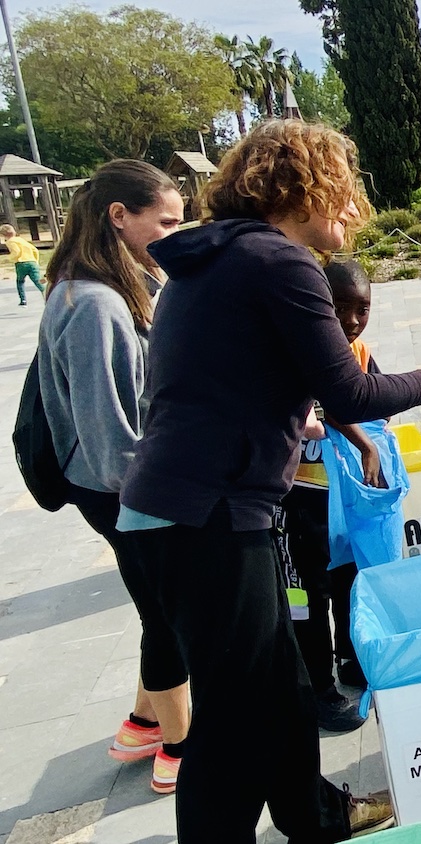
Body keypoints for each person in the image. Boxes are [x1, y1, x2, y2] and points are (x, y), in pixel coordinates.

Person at [118, 119, 421, 843]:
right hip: (208, 519)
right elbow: (348, 389)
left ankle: (315, 818)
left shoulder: (216, 259)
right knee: (233, 726)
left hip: (185, 513)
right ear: (305, 188)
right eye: (347, 194)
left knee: (285, 692)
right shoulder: (275, 261)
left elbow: (262, 383)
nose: (354, 213)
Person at [37, 159, 190, 795]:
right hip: (121, 488)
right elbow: (107, 435)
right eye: (167, 221)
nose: (177, 232)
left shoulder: (108, 284)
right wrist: (161, 500)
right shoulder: (93, 302)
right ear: (119, 217)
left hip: (119, 484)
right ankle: (182, 750)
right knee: (169, 612)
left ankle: (141, 725)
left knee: (158, 602)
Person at [281, 260, 382, 733]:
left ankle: (350, 661)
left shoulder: (359, 351)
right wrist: (361, 439)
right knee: (305, 595)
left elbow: (373, 401)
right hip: (296, 500)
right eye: (340, 308)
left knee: (346, 582)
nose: (352, 320)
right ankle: (317, 687)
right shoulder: (294, 346)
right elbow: (322, 409)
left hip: (342, 499)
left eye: (362, 309)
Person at [4, 223, 46, 305]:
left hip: (21, 263)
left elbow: (16, 252)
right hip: (32, 262)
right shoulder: (21, 240)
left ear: (4, 235)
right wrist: (35, 261)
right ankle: (47, 295)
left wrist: (9, 258)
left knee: (20, 282)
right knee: (38, 281)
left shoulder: (10, 241)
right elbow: (35, 250)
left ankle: (23, 300)